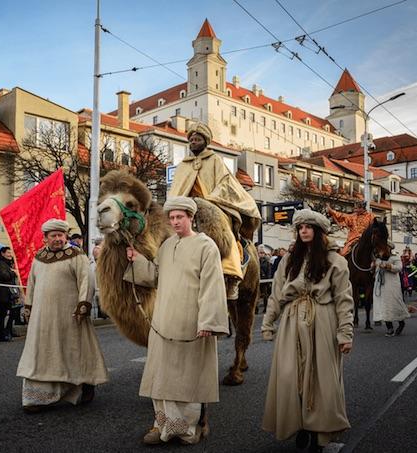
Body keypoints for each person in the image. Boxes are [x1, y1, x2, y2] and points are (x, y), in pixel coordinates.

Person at [125, 197, 229, 445]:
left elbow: (212, 286)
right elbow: (156, 276)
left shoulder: (207, 246)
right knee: (163, 376)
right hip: (163, 321)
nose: (175, 222)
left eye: (180, 217)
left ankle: (188, 428)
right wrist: (137, 260)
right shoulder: (167, 245)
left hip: (191, 322)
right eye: (172, 218)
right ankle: (162, 425)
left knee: (187, 377)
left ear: (191, 218)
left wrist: (208, 321)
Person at [261, 209, 354, 452]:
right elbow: (277, 294)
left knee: (320, 378)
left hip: (322, 320)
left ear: (319, 231)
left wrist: (345, 334)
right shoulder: (289, 261)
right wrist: (268, 323)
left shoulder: (336, 261)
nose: (303, 230)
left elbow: (344, 300)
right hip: (292, 321)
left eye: (309, 227)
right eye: (300, 227)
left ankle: (317, 432)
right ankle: (299, 424)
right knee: (291, 376)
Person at [17, 219, 108, 413]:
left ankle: (84, 385)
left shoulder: (76, 255)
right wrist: (29, 305)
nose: (58, 239)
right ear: (45, 238)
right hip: (42, 318)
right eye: (53, 236)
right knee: (42, 354)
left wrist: (83, 304)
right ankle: (36, 398)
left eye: (60, 235)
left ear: (65, 236)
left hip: (70, 315)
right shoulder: (39, 257)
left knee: (73, 351)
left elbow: (87, 280)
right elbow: (31, 284)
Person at [168, 121, 260, 302]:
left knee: (222, 232)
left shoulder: (215, 160)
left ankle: (232, 274)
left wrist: (210, 199)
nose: (193, 142)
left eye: (197, 139)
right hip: (186, 208)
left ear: (205, 141)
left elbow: (225, 183)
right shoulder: (183, 166)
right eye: (191, 139)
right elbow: (175, 190)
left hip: (212, 204)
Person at [373, 245, 410, 336]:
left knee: (394, 304)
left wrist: (387, 266)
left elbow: (399, 268)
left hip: (392, 285)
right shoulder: (378, 259)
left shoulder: (394, 258)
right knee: (384, 305)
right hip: (380, 286)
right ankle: (389, 328)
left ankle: (401, 323)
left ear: (389, 248)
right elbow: (376, 271)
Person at [0, 247, 19, 341]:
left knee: (12, 312)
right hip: (2, 293)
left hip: (10, 293)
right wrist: (13, 273)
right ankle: (0, 335)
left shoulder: (9, 264)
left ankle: (8, 331)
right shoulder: (0, 263)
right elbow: (3, 276)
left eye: (11, 252)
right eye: (8, 252)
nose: (10, 255)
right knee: (1, 314)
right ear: (2, 253)